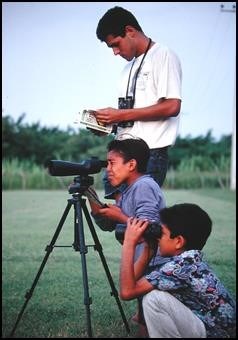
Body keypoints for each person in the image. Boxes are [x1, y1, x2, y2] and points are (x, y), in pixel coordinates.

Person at [90, 6, 182, 199]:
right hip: (121, 156)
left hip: (148, 156)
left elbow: (172, 106)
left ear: (130, 31)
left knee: (136, 222)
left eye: (116, 44)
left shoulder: (163, 55)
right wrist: (108, 125)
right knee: (120, 224)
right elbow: (131, 118)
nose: (115, 52)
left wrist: (120, 114)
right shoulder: (127, 69)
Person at [119, 203, 236, 338]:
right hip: (212, 327)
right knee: (156, 294)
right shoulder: (189, 260)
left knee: (154, 299)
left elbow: (127, 292)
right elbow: (131, 285)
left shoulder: (180, 267)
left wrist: (129, 243)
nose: (158, 237)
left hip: (217, 333)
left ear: (178, 241)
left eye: (161, 234)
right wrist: (148, 250)